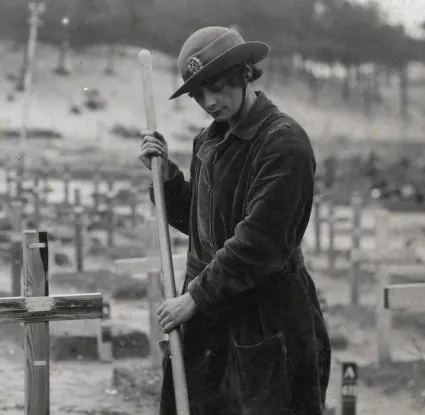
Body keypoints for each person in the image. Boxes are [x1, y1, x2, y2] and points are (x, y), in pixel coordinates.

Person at [138, 26, 331, 415]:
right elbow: (205, 224)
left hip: (266, 324)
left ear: (245, 73)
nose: (210, 102)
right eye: (198, 94)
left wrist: (194, 297)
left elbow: (261, 241)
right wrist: (166, 179)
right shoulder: (208, 141)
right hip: (210, 324)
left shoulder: (283, 142)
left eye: (219, 87)